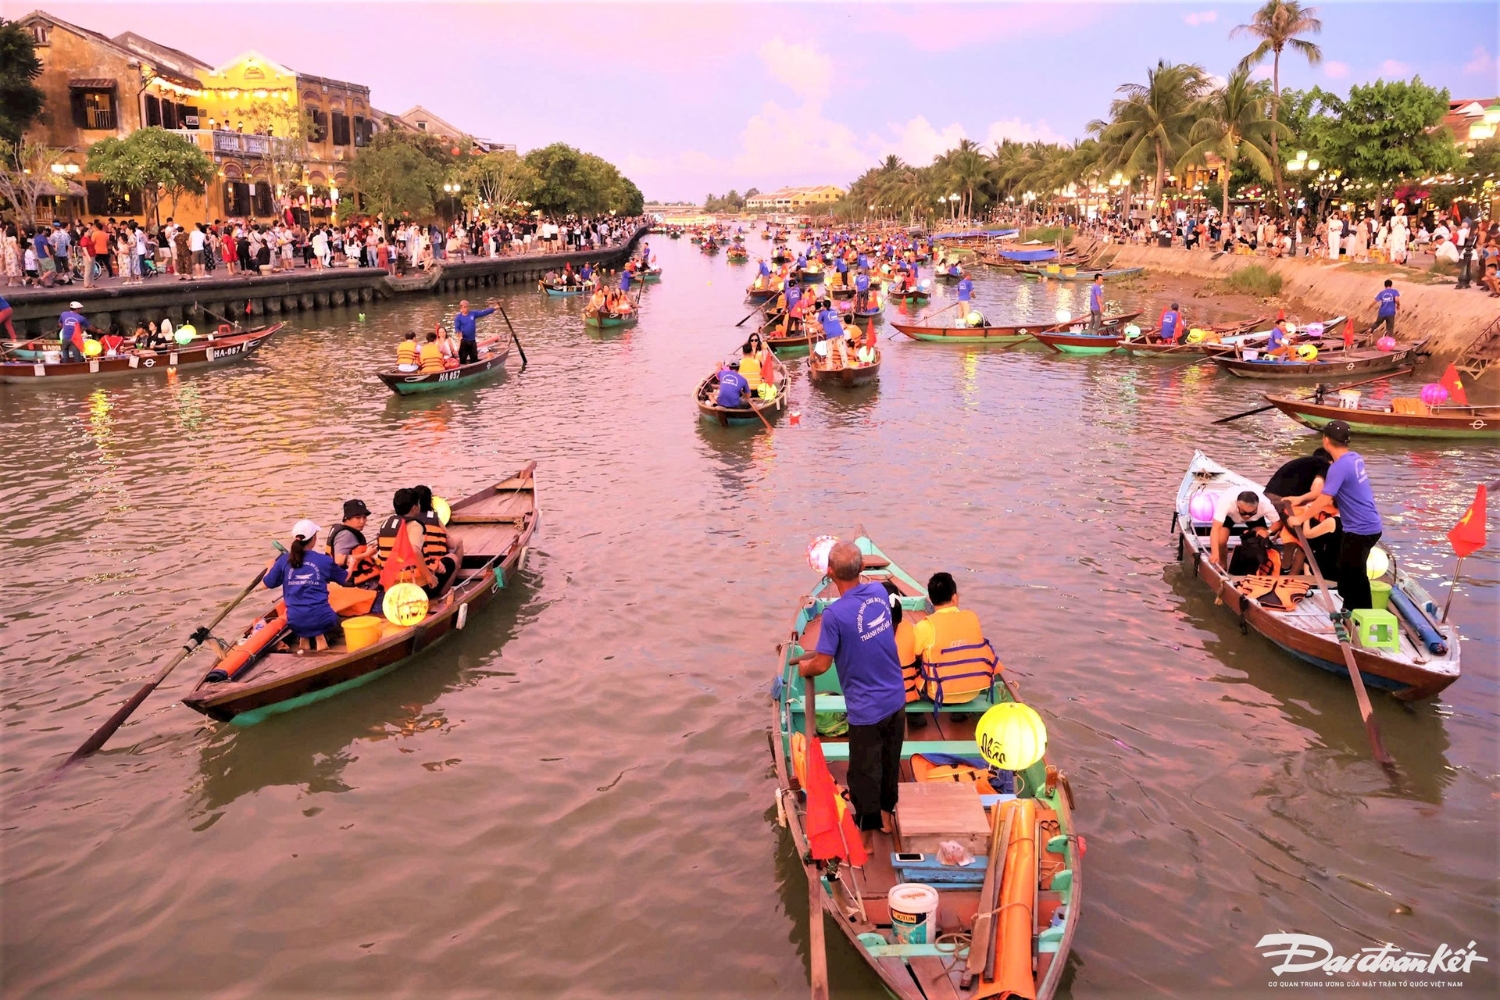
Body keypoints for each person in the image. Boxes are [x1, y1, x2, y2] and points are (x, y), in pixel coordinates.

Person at [796, 541, 907, 846]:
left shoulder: (834, 616)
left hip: (867, 709)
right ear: (861, 569)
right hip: (896, 698)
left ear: (830, 573)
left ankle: (867, 832)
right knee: (889, 760)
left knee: (862, 771)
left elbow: (821, 663)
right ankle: (886, 816)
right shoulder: (879, 592)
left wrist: (805, 669)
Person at [1288, 419, 1383, 613]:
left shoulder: (1338, 467)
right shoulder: (1354, 458)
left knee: (1350, 577)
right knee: (1356, 573)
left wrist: (1300, 517)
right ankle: (1361, 612)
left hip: (1360, 530)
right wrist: (1301, 499)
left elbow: (1324, 499)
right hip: (1371, 526)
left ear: (1326, 440)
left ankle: (1353, 616)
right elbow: (1327, 492)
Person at [909, 572, 997, 707]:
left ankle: (916, 716)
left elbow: (912, 654)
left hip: (938, 695)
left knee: (912, 660)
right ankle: (962, 713)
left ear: (931, 600)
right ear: (955, 598)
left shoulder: (924, 626)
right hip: (972, 692)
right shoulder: (972, 618)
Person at [262, 519, 348, 651]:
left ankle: (305, 640)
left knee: (305, 621)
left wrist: (270, 567)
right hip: (323, 619)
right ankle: (320, 639)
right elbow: (346, 579)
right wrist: (353, 564)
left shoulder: (283, 561)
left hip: (295, 621)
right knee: (335, 625)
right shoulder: (324, 560)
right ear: (314, 538)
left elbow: (265, 584)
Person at [412, 485, 464, 597]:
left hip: (414, 570)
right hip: (435, 566)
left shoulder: (408, 521)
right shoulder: (435, 518)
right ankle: (445, 588)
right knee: (458, 543)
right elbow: (451, 544)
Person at [1210, 489, 1278, 571]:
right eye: (1244, 512)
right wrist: (1214, 553)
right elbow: (1215, 528)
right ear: (1237, 504)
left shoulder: (1265, 504)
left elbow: (1278, 522)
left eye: (1251, 512)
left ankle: (1257, 566)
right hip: (1230, 516)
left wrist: (1268, 532)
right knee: (1220, 541)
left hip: (1255, 519)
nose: (1247, 516)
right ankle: (1223, 564)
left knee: (1261, 538)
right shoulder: (1226, 503)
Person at [326, 499, 379, 587]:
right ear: (347, 518)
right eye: (358, 518)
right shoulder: (346, 534)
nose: (362, 521)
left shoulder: (342, 530)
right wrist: (367, 554)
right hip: (350, 582)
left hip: (336, 579)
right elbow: (338, 560)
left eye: (364, 517)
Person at [1265, 447, 1331, 505]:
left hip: (1269, 496)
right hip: (1282, 500)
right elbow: (1316, 491)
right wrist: (1300, 499)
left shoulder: (1307, 464)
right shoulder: (1325, 463)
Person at [451, 299, 496, 365]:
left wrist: (494, 308)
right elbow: (456, 328)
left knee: (474, 360)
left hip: (472, 341)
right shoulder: (458, 317)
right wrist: (458, 333)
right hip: (463, 342)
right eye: (465, 307)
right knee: (462, 360)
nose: (467, 308)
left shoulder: (473, 313)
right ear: (461, 308)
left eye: (467, 307)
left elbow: (483, 312)